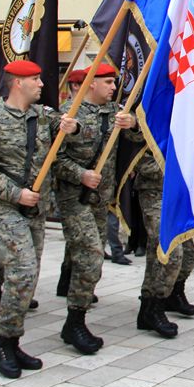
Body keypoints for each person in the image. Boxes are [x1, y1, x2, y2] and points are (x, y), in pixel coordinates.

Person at [0, 59, 77, 378]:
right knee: (22, 270)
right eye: (37, 79)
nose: (42, 84)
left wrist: (73, 126)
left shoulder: (41, 116)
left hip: (35, 208)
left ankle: (12, 340)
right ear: (18, 83)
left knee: (29, 274)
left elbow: (67, 122)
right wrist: (16, 194)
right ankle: (1, 342)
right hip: (5, 207)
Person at [54, 64, 137, 354]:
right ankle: (74, 321)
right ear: (91, 84)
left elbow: (139, 140)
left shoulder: (114, 112)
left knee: (91, 259)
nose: (114, 87)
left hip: (101, 200)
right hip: (74, 198)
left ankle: (76, 314)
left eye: (113, 82)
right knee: (90, 255)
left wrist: (134, 125)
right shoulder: (68, 114)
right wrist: (81, 175)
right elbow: (53, 159)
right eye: (108, 82)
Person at [129, 146, 194, 338]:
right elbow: (137, 158)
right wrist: (175, 169)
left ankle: (166, 297)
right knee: (170, 252)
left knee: (189, 251)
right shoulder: (147, 117)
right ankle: (154, 307)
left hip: (181, 192)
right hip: (154, 191)